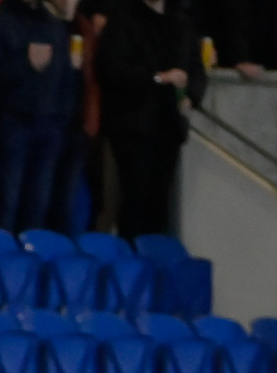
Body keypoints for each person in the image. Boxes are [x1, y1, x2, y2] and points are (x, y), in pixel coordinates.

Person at [96, 0, 206, 242]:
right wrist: (157, 78)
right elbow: (110, 69)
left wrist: (191, 97)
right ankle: (132, 256)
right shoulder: (123, 19)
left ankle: (153, 256)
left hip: (168, 125)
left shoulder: (181, 22)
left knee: (160, 202)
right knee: (135, 198)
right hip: (132, 125)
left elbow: (196, 68)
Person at [0, 0, 77, 233]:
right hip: (13, 122)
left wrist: (61, 117)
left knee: (38, 202)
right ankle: (1, 252)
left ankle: (29, 253)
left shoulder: (54, 25)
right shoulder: (0, 23)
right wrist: (25, 63)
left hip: (50, 125)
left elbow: (67, 77)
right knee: (7, 200)